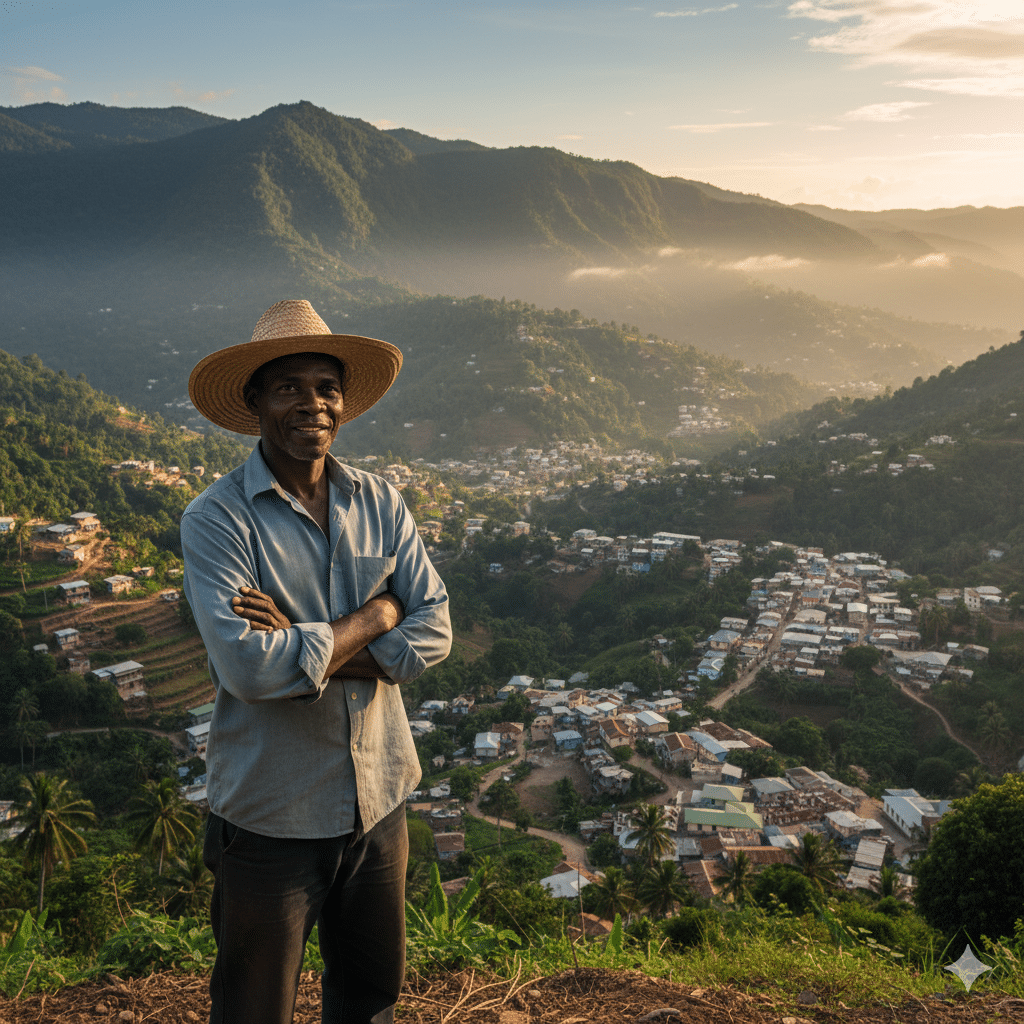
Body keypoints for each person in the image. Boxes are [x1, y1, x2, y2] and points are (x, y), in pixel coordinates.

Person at [180, 299, 452, 1024]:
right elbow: (248, 670)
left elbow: (436, 629)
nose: (313, 404)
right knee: (254, 1008)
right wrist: (375, 616)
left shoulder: (381, 502)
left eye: (327, 387)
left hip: (379, 798)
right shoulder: (218, 519)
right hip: (272, 815)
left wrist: (301, 641)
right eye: (289, 387)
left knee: (370, 998)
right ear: (254, 401)